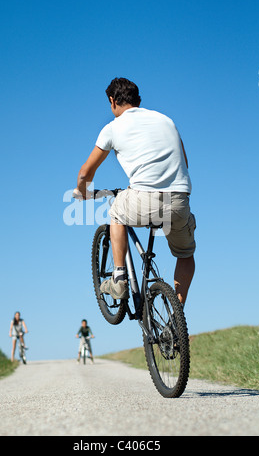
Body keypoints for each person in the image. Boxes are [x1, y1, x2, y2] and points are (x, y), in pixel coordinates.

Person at [74, 77, 196, 307]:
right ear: (138, 100)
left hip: (144, 200)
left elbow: (84, 173)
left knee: (116, 212)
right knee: (185, 256)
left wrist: (82, 193)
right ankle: (176, 318)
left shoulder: (112, 128)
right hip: (180, 200)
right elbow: (185, 162)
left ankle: (118, 278)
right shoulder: (166, 120)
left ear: (112, 101)